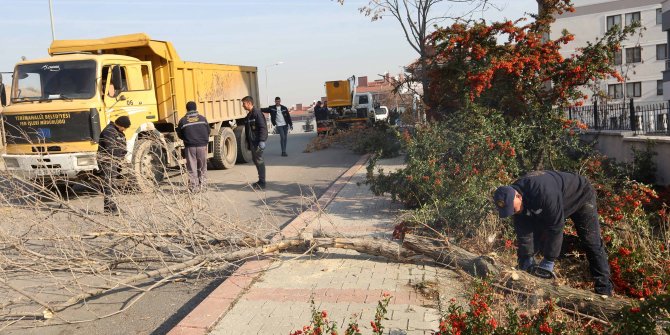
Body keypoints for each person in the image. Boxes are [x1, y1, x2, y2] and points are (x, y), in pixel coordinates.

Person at [493, 171, 613, 296]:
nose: (513, 212)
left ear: (518, 196)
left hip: (580, 195)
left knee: (590, 241)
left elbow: (556, 226)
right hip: (555, 202)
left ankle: (604, 288)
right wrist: (526, 257)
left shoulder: (542, 192)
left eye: (513, 209)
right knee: (531, 238)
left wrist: (549, 260)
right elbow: (524, 230)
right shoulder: (514, 197)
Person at [97, 116, 131, 215]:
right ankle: (112, 209)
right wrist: (118, 156)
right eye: (125, 127)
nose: (125, 129)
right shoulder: (109, 131)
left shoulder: (118, 132)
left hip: (115, 161)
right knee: (109, 185)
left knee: (112, 185)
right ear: (121, 125)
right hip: (107, 161)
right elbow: (111, 148)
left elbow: (122, 146)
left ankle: (110, 208)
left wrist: (122, 156)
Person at [177, 101, 210, 192]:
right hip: (202, 146)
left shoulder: (183, 120)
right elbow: (208, 131)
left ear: (187, 109)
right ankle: (203, 186)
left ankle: (193, 188)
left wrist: (187, 139)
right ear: (195, 108)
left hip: (190, 147)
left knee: (192, 167)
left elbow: (179, 134)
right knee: (202, 167)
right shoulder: (203, 119)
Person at [242, 96, 268, 189]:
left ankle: (262, 182)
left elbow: (263, 127)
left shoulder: (257, 113)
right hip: (252, 143)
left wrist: (262, 140)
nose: (243, 106)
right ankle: (260, 180)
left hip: (257, 142)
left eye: (244, 103)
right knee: (256, 160)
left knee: (259, 161)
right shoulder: (249, 115)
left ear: (249, 103)